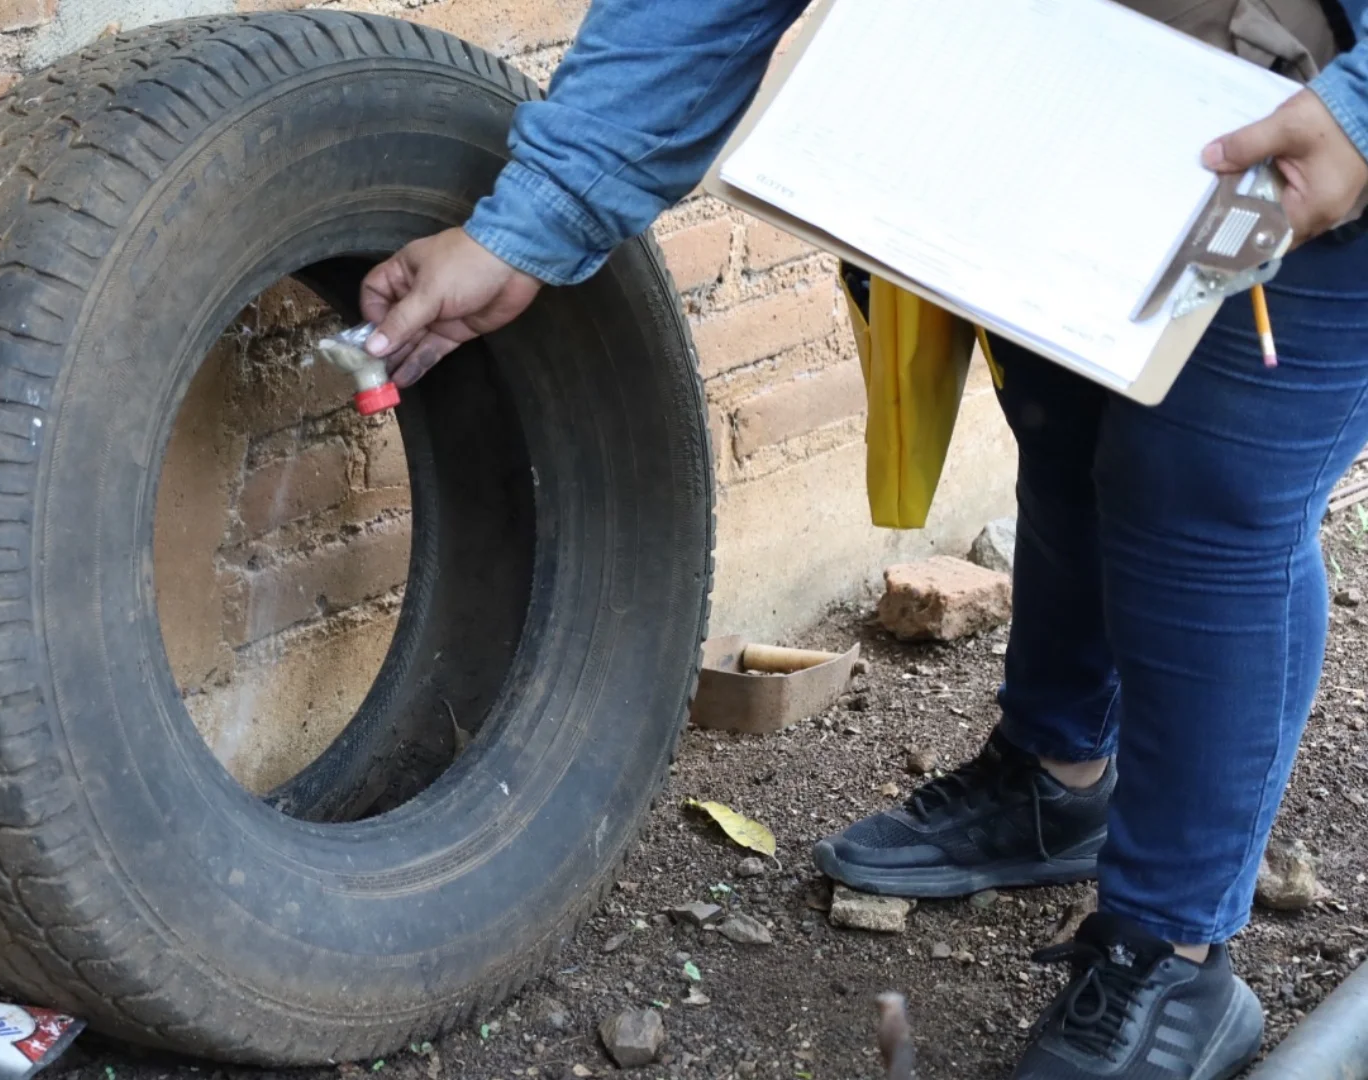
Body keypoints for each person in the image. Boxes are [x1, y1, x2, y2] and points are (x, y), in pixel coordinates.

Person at [356, 2, 1368, 1078]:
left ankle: (1175, 953)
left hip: (1304, 115)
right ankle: (1056, 782)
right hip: (1094, 72)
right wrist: (530, 222)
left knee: (1207, 494)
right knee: (1066, 409)